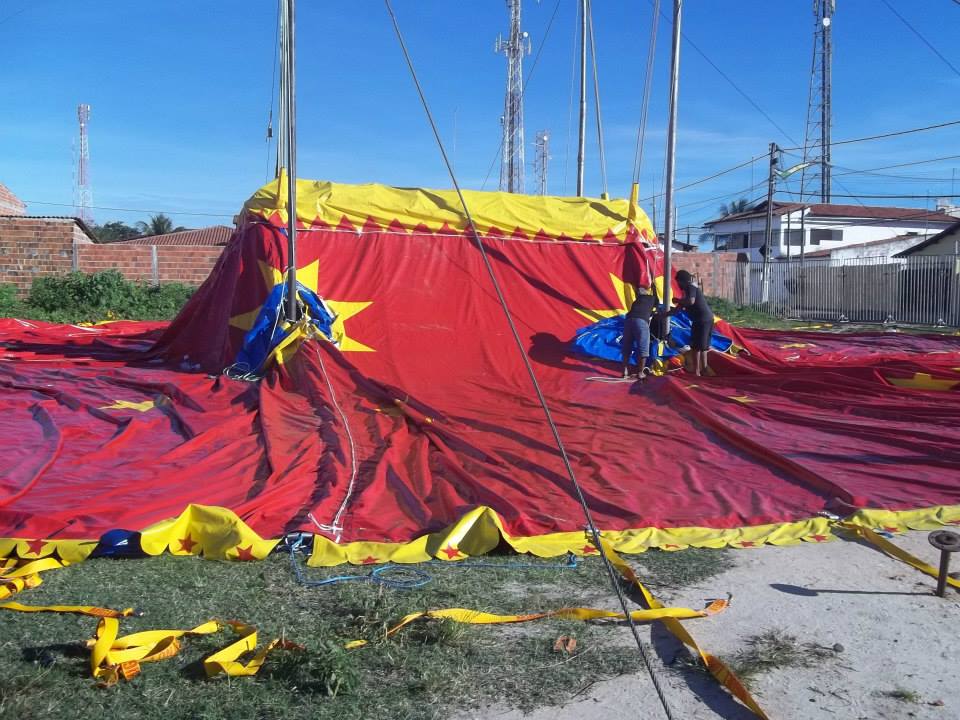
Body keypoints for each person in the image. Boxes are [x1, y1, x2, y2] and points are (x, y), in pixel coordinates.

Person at [672, 269, 714, 376]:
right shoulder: (686, 292)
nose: (678, 285)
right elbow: (677, 309)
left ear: (682, 281)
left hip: (702, 319)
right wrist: (663, 315)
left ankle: (699, 370)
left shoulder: (690, 287)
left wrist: (677, 300)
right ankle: (701, 369)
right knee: (700, 346)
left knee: (698, 346)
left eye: (678, 282)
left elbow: (691, 301)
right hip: (704, 319)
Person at [621, 285, 656, 379]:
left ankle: (625, 371)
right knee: (643, 346)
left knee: (627, 346)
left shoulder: (635, 302)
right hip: (641, 321)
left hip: (628, 320)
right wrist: (654, 286)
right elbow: (656, 299)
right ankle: (640, 372)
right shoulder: (651, 298)